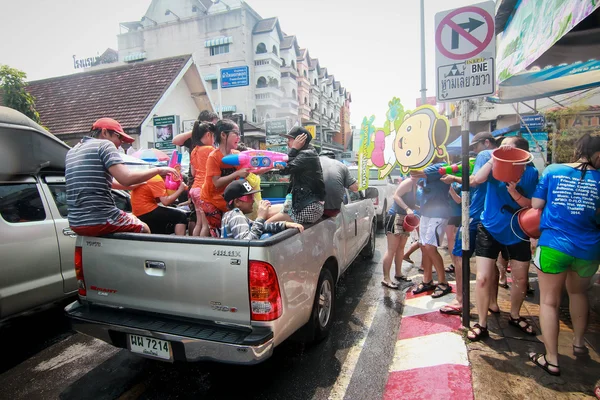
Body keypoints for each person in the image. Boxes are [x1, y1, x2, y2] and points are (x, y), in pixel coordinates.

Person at [527, 133, 600, 376]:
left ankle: (552, 359)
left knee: (549, 301)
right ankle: (579, 344)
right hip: (589, 248)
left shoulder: (553, 170)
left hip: (554, 246)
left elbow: (536, 204)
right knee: (578, 293)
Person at [467, 136, 539, 341]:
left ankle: (515, 315)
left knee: (521, 278)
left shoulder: (531, 173)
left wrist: (515, 193)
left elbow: (532, 204)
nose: (502, 150)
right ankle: (482, 323)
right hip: (489, 227)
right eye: (501, 147)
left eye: (508, 147)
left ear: (522, 155)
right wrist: (493, 160)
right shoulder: (493, 168)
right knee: (482, 278)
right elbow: (477, 180)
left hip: (518, 231)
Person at [65, 117, 178, 236]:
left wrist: (136, 185)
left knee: (129, 217)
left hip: (75, 222)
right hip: (100, 218)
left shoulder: (72, 151)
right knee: (144, 227)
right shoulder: (104, 145)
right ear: (104, 132)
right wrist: (158, 170)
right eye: (119, 137)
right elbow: (126, 178)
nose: (120, 144)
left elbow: (111, 183)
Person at [439, 134, 499, 315]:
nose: (474, 150)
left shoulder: (485, 155)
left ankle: (460, 300)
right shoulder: (506, 157)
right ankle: (493, 302)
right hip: (495, 215)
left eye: (476, 146)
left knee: (458, 256)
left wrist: (454, 179)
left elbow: (474, 180)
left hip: (476, 214)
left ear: (486, 143)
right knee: (491, 261)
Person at [199, 120, 271, 235]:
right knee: (215, 230)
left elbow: (251, 172)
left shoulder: (238, 154)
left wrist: (272, 166)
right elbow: (216, 182)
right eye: (235, 133)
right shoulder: (213, 157)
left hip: (227, 200)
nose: (239, 137)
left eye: (239, 134)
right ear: (223, 135)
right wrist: (236, 174)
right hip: (211, 200)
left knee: (229, 229)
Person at [410, 160, 452, 298]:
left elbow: (414, 172)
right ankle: (427, 280)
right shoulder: (428, 169)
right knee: (423, 246)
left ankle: (443, 283)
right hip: (426, 213)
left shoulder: (439, 166)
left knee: (429, 246)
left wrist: (408, 160)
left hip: (438, 214)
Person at [268, 127, 326, 224]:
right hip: (301, 204)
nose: (288, 142)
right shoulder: (303, 153)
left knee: (267, 223)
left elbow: (287, 168)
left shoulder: (307, 154)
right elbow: (284, 170)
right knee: (267, 212)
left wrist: (294, 148)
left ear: (301, 141)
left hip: (308, 208)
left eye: (290, 139)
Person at [221, 179, 304, 240]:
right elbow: (246, 243)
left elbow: (261, 227)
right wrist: (260, 217)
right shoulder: (236, 215)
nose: (253, 200)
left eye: (252, 196)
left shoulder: (230, 215)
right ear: (237, 202)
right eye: (249, 197)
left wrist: (286, 224)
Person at [381, 177, 415, 289]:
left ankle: (398, 273)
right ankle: (386, 278)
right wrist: (407, 208)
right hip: (395, 216)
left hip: (406, 218)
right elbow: (396, 195)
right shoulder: (409, 182)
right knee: (392, 249)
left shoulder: (418, 183)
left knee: (401, 248)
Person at [188, 121, 217, 236]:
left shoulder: (194, 151)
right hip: (204, 190)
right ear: (209, 134)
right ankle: (202, 249)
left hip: (194, 189)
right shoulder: (210, 149)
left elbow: (193, 172)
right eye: (214, 136)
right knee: (206, 225)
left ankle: (195, 247)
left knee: (199, 223)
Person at [319, 150, 358, 217]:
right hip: (332, 210)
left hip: (311, 209)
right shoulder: (341, 165)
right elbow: (355, 188)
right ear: (333, 158)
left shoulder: (312, 163)